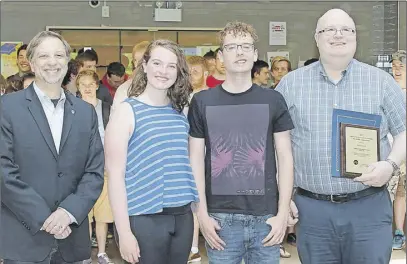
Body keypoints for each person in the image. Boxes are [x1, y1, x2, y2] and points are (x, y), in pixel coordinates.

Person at [276, 9, 406, 264]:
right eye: (329, 30)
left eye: (346, 30)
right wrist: (282, 198)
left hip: (368, 207)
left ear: (356, 37)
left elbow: (404, 131)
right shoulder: (290, 85)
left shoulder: (381, 82)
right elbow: (277, 146)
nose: (338, 35)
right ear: (316, 37)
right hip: (312, 210)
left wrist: (390, 165)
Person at [188, 21, 294, 264]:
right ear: (221, 56)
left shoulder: (273, 99)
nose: (240, 52)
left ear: (255, 54)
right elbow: (194, 159)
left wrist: (282, 212)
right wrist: (201, 214)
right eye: (232, 46)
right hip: (221, 219)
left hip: (266, 218)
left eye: (246, 46)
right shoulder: (202, 101)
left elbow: (285, 157)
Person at [0, 31, 104, 264]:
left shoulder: (85, 113)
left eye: (59, 55)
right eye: (44, 55)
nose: (52, 62)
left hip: (72, 239)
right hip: (25, 239)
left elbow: (94, 172)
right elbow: (3, 173)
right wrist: (46, 218)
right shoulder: (7, 108)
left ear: (67, 63)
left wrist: (67, 213)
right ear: (32, 63)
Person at [105, 39, 199, 264]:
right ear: (144, 66)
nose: (163, 71)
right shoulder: (126, 111)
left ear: (179, 71)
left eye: (171, 66)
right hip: (144, 218)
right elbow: (115, 176)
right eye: (157, 63)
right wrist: (124, 232)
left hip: (182, 216)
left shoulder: (181, 110)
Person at [76, 70, 114, 264]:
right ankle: (84, 254)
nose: (88, 88)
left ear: (97, 85)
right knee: (84, 215)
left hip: (104, 169)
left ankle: (101, 252)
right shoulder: (72, 109)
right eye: (83, 85)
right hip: (80, 171)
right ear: (78, 87)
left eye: (91, 84)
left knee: (103, 215)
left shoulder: (107, 109)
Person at [389, 50, 406, 250]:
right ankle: (398, 231)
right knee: (397, 190)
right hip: (394, 148)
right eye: (394, 66)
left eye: (401, 66)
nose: (397, 70)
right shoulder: (389, 89)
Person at [112, 41, 150, 112]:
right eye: (135, 60)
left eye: (142, 60)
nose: (138, 64)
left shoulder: (163, 86)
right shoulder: (125, 88)